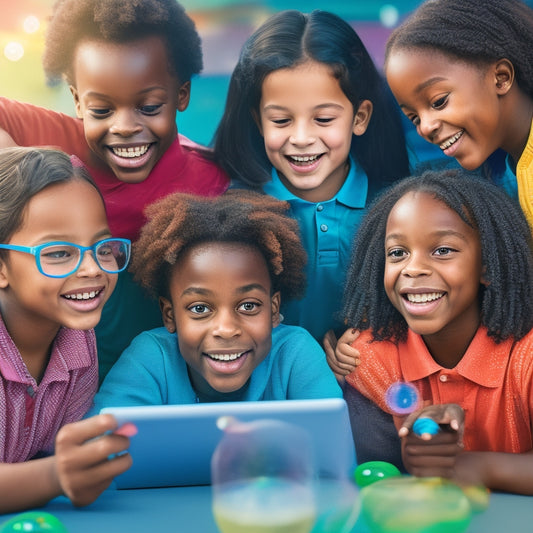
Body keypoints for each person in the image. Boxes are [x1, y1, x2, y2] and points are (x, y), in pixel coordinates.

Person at [0, 0, 229, 380]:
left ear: (182, 95)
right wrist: (13, 179)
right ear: (77, 101)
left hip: (158, 358)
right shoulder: (55, 139)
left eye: (150, 106)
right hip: (63, 352)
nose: (124, 126)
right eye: (102, 111)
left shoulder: (209, 179)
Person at [213, 9, 413, 348]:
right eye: (281, 121)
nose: (302, 137)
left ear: (359, 117)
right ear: (258, 121)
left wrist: (362, 345)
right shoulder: (234, 213)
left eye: (323, 119)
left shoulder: (397, 209)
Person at [339, 169, 533, 494]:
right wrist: (415, 456)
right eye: (397, 253)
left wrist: (471, 466)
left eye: (442, 250)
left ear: (486, 266)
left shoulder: (526, 356)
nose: (413, 268)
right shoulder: (369, 358)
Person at [89, 190, 342, 412]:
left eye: (248, 306)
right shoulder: (150, 358)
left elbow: (333, 453)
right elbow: (100, 451)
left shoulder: (295, 355)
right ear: (169, 315)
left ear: (274, 310)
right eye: (200, 308)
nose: (226, 329)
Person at [0, 146, 133, 512]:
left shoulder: (79, 342)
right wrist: (55, 477)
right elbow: (55, 470)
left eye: (101, 247)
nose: (92, 269)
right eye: (58, 252)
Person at [383, 0, 533, 229]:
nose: (425, 127)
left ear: (501, 78)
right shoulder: (502, 172)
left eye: (438, 102)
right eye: (414, 118)